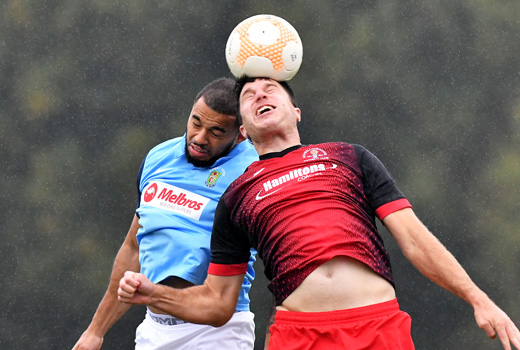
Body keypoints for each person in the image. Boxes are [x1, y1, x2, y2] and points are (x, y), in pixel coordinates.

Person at [117, 76, 520, 350]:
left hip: (377, 326)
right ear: (243, 131)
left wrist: (477, 297)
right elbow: (218, 304)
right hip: (298, 336)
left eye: (270, 88)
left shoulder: (348, 157)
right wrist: (155, 295)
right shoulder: (237, 195)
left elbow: (414, 238)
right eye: (248, 95)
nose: (259, 94)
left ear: (295, 111)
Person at [72, 77, 259, 350]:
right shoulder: (158, 157)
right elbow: (134, 246)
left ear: (241, 132)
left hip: (216, 334)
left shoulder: (253, 172)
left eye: (216, 132)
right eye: (196, 122)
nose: (199, 138)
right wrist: (95, 331)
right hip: (153, 330)